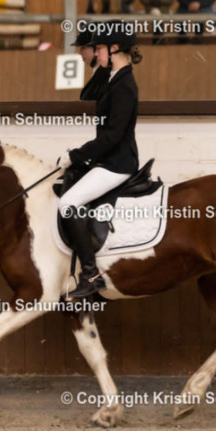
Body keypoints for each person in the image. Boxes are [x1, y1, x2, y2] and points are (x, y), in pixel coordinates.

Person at [60, 21, 142, 298]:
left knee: (68, 203)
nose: (96, 51)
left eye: (101, 47)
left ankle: (91, 274)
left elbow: (112, 136)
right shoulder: (113, 78)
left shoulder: (125, 85)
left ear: (115, 47)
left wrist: (76, 155)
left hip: (118, 162)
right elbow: (89, 95)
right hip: (108, 159)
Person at [71, 28, 111, 101]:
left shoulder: (105, 76)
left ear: (96, 47)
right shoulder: (99, 74)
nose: (79, 53)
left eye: (83, 48)